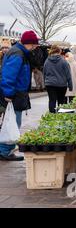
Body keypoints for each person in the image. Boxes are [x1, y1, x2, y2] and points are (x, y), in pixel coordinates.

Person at [0, 31, 40, 161]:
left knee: (11, 122)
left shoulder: (19, 52)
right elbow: (9, 75)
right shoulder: (18, 54)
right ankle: (5, 151)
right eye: (34, 45)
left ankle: (6, 149)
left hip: (16, 93)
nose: (34, 47)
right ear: (28, 43)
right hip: (14, 94)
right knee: (12, 123)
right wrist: (8, 93)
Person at [43, 45, 72, 113]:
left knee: (52, 100)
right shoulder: (63, 61)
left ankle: (51, 116)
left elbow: (44, 72)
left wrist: (45, 83)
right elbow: (68, 74)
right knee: (61, 101)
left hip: (49, 84)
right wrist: (70, 86)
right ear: (59, 51)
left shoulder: (47, 61)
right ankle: (60, 116)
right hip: (61, 84)